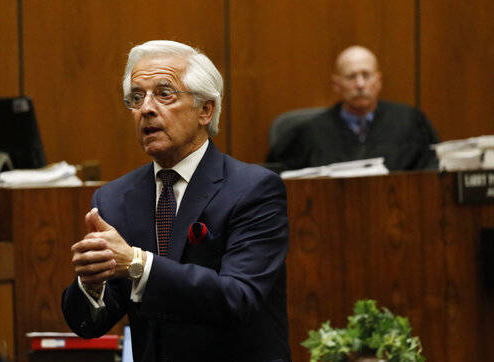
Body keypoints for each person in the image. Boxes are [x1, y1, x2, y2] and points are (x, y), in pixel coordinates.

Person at [61, 40, 291, 362]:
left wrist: (139, 266)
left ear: (205, 110)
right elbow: (88, 325)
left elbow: (238, 298)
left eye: (164, 93)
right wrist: (91, 282)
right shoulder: (114, 198)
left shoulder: (253, 189)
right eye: (137, 97)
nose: (146, 109)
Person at [268, 45, 440, 171]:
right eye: (351, 77)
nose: (359, 84)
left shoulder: (409, 122)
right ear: (336, 85)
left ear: (378, 81)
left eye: (366, 75)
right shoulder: (310, 133)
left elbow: (432, 171)